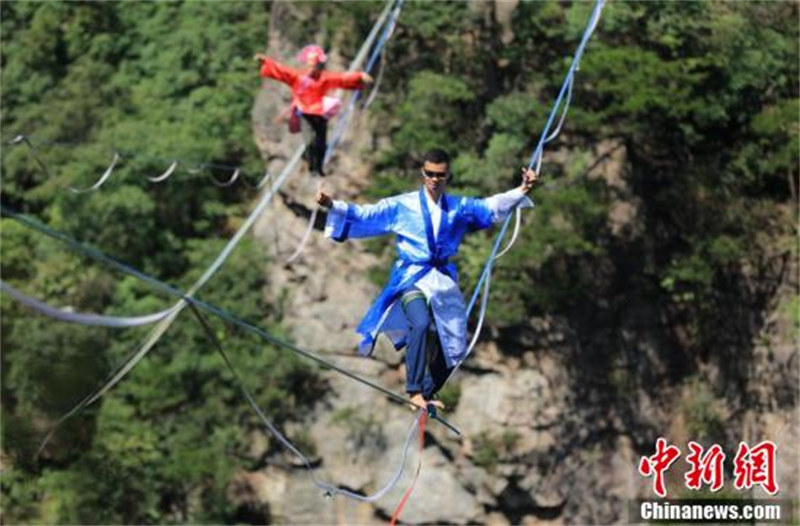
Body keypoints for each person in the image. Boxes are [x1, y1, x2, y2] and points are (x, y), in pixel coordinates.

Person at [316, 148, 539, 410]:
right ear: (423, 174)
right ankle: (414, 390)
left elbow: (490, 206)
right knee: (420, 323)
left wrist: (522, 189)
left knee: (455, 345)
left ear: (448, 176)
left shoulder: (458, 207)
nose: (434, 179)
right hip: (412, 276)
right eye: (429, 174)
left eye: (440, 175)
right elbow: (367, 214)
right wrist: (333, 205)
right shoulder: (403, 205)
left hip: (441, 279)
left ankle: (428, 392)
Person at [254, 45, 373, 176]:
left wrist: (359, 76)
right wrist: (265, 61)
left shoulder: (324, 78)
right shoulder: (297, 76)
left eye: (314, 64)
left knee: (321, 144)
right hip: (305, 113)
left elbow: (341, 78)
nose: (311, 67)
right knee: (310, 141)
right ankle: (312, 166)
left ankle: (319, 167)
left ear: (317, 65)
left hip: (320, 113)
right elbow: (282, 71)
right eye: (310, 64)